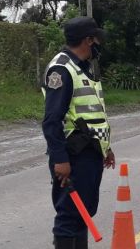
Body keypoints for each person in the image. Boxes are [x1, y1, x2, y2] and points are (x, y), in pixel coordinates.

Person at [42, 16, 115, 249]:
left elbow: (92, 114)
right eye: (96, 40)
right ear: (88, 40)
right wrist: (60, 159)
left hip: (90, 151)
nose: (98, 46)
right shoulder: (62, 69)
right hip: (74, 154)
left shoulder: (82, 68)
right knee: (69, 215)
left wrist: (106, 147)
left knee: (83, 212)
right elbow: (52, 120)